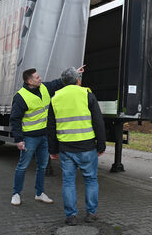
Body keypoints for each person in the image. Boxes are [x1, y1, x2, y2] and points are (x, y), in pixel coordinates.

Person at [10, 66, 84, 206]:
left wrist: (75, 74)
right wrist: (19, 139)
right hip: (30, 138)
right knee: (23, 166)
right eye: (37, 78)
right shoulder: (20, 97)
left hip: (44, 136)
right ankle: (16, 194)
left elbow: (59, 82)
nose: (40, 79)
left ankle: (39, 193)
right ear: (30, 81)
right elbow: (15, 120)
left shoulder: (44, 88)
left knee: (42, 166)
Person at [47, 67, 106, 226]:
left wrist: (52, 150)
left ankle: (71, 216)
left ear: (64, 82)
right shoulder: (87, 94)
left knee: (68, 182)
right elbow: (98, 122)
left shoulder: (55, 98)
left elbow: (51, 127)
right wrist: (101, 145)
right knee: (91, 180)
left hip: (66, 149)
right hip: (87, 147)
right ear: (78, 80)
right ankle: (91, 213)